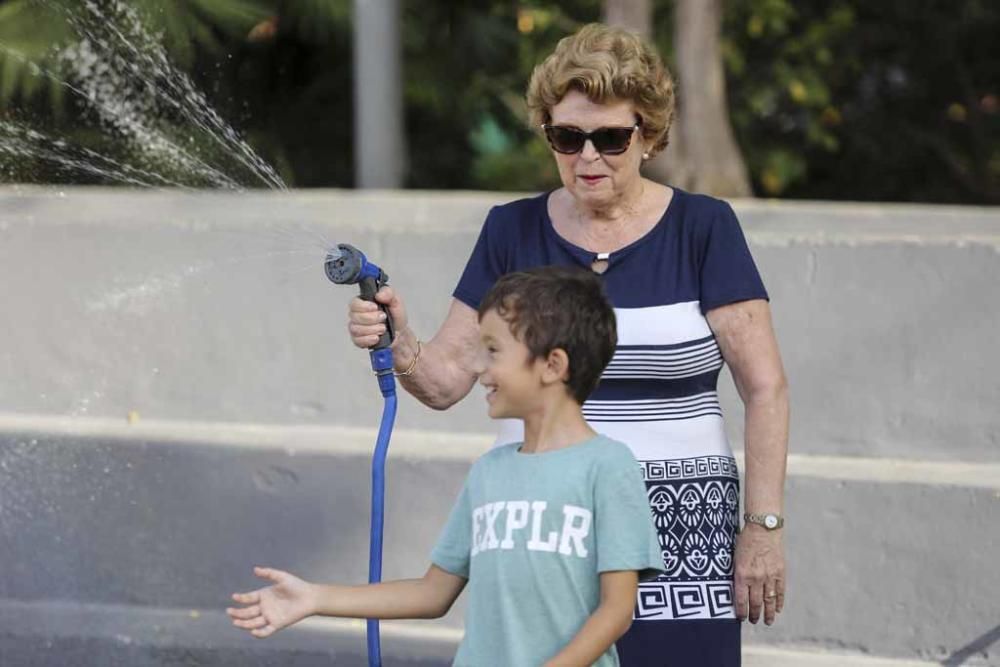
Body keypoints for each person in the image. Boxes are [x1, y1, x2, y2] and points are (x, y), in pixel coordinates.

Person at [348, 22, 790, 667]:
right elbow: (445, 381)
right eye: (567, 137)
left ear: (648, 136)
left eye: (610, 137)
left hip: (682, 537)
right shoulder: (511, 229)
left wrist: (764, 528)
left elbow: (765, 386)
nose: (588, 157)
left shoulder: (704, 227)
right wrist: (398, 340)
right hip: (544, 533)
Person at [228, 266, 665, 666]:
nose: (478, 367)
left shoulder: (608, 467)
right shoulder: (489, 472)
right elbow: (432, 592)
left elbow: (616, 611)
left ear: (553, 365)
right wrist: (314, 598)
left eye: (493, 350)